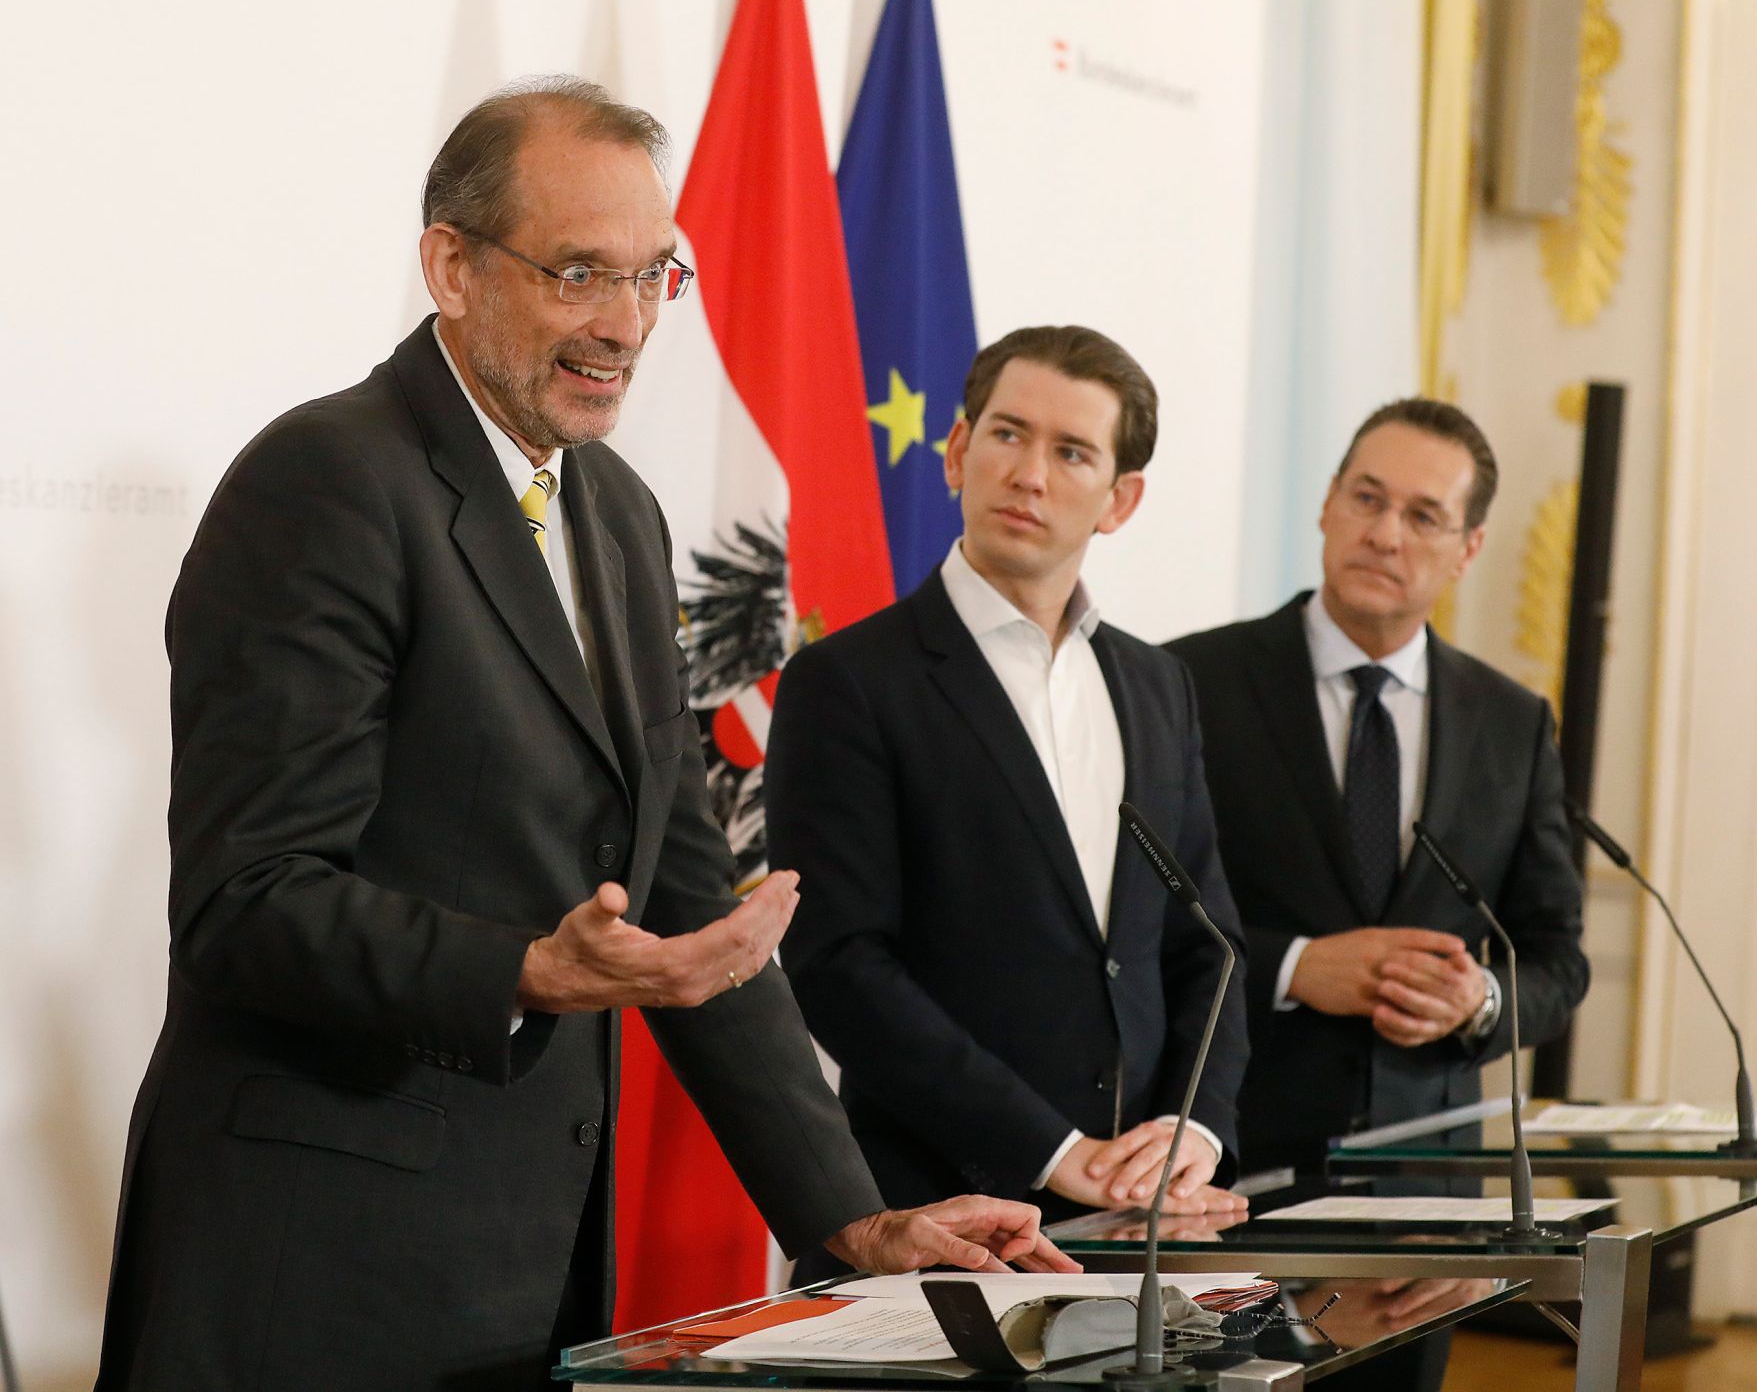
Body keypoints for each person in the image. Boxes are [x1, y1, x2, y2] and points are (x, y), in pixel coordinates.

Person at [95, 77, 1071, 1392]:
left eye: (653, 275)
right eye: (578, 274)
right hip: (314, 1268)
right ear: (450, 264)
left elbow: (672, 902)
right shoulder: (330, 482)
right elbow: (246, 901)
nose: (625, 324)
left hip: (525, 1270)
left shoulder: (617, 513)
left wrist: (853, 1220)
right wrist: (525, 970)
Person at [767, 326, 1251, 1281]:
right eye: (1006, 435)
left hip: (1138, 1234)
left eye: (1071, 452)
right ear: (956, 452)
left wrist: (1195, 1126)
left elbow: (1209, 943)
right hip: (933, 1220)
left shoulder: (1159, 686)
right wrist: (1055, 1151)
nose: (1029, 473)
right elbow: (838, 966)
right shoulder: (849, 682)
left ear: (1121, 501)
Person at [1167, 400, 1590, 1390]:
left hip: (1423, 1198)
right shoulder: (1188, 681)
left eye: (1421, 515)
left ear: (1466, 548)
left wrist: (1479, 1000)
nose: (1384, 532)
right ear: (1324, 505)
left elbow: (1555, 956)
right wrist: (1289, 966)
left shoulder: (1509, 720)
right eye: (1365, 497)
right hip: (1226, 1170)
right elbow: (1143, 913)